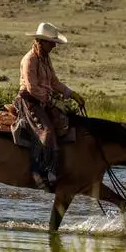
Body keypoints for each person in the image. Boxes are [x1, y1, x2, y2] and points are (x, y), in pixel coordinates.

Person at [17, 22, 86, 192]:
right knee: (46, 132)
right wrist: (52, 101)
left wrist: (72, 94)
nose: (54, 45)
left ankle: (59, 168)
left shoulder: (46, 59)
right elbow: (32, 88)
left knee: (65, 123)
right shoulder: (29, 59)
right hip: (29, 101)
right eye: (51, 42)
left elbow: (54, 82)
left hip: (43, 100)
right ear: (41, 41)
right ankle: (38, 172)